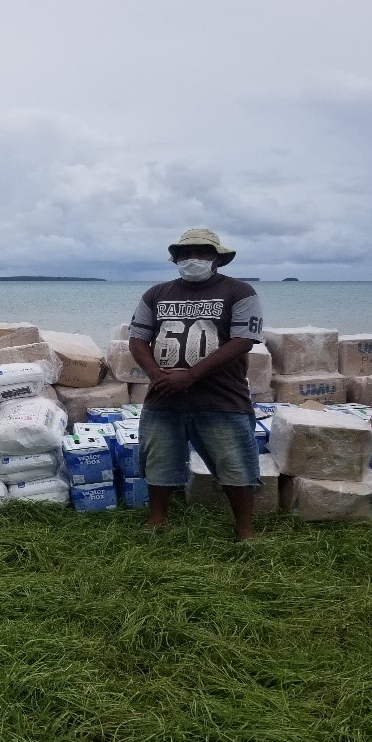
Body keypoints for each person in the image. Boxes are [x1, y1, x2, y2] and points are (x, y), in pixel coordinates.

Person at [127, 228, 264, 541]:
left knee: (236, 463)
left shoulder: (240, 291)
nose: (193, 258)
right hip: (164, 396)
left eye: (202, 252)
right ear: (176, 258)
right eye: (186, 253)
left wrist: (190, 376)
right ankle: (157, 519)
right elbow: (137, 339)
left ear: (217, 258)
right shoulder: (155, 294)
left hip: (222, 398)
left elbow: (243, 340)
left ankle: (244, 529)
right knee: (159, 460)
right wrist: (156, 375)